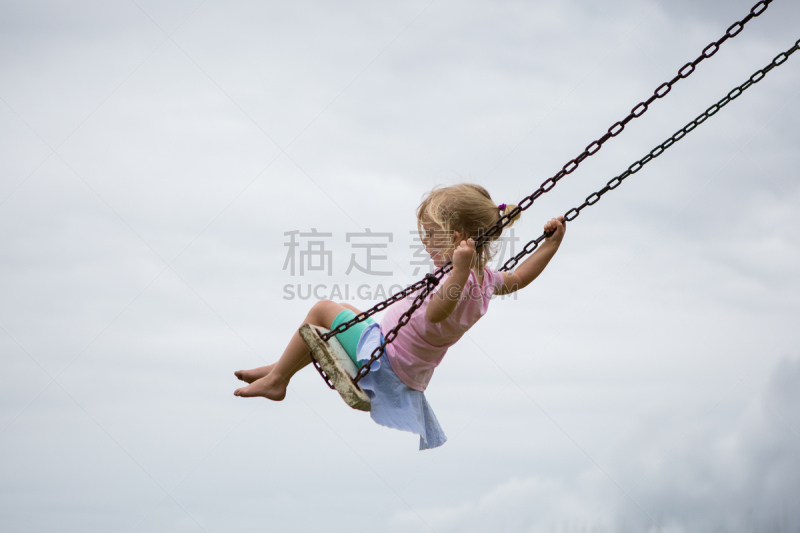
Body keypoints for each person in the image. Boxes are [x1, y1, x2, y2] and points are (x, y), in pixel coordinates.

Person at [234, 183, 566, 449]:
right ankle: (281, 366)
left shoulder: (459, 280)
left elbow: (436, 313)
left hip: (386, 361)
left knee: (322, 310)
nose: (425, 243)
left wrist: (460, 270)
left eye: (430, 236)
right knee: (346, 312)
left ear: (454, 239)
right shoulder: (488, 280)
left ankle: (278, 380)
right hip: (397, 360)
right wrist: (551, 245)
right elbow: (520, 276)